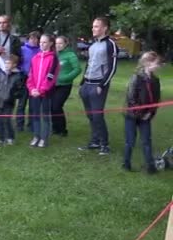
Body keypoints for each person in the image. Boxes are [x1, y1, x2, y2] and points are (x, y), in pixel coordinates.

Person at [78, 17, 118, 155]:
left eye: (96, 26)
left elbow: (112, 67)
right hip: (87, 85)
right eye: (93, 26)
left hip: (98, 85)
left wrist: (102, 85)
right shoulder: (93, 45)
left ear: (104, 28)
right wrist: (82, 83)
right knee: (90, 115)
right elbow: (89, 64)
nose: (93, 29)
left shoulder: (110, 44)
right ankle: (95, 141)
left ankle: (104, 144)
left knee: (97, 116)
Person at [123, 52, 162, 174]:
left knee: (146, 141)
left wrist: (150, 113)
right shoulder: (137, 78)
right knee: (130, 141)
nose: (158, 66)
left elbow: (156, 99)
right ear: (147, 63)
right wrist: (140, 113)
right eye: (156, 63)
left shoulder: (155, 80)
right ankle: (126, 164)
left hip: (146, 116)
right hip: (132, 115)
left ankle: (150, 167)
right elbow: (131, 98)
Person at [26, 34, 60, 148]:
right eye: (40, 42)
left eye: (44, 42)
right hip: (34, 93)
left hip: (46, 92)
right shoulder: (35, 58)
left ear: (50, 43)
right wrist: (32, 89)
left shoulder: (53, 58)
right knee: (35, 114)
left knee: (45, 115)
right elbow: (30, 76)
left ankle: (44, 138)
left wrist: (41, 90)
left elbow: (51, 77)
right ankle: (36, 136)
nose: (41, 44)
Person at [52, 36, 81, 137]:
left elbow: (77, 69)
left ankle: (62, 130)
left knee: (57, 106)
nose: (58, 45)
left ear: (66, 44)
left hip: (64, 86)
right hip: (53, 85)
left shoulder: (70, 55)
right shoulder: (54, 55)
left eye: (60, 43)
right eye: (56, 43)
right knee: (52, 107)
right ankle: (55, 128)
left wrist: (66, 78)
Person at [0, 55, 25, 146]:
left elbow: (20, 90)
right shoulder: (0, 74)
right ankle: (1, 138)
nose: (7, 65)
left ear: (14, 65)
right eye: (6, 63)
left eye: (9, 63)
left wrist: (12, 96)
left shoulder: (18, 76)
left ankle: (10, 137)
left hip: (9, 102)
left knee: (7, 119)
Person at [17, 31, 40, 131]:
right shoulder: (22, 49)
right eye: (31, 38)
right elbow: (17, 62)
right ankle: (19, 125)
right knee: (21, 103)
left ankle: (31, 124)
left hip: (35, 80)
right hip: (24, 78)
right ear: (28, 39)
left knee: (33, 103)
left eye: (35, 38)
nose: (33, 40)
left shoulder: (40, 51)